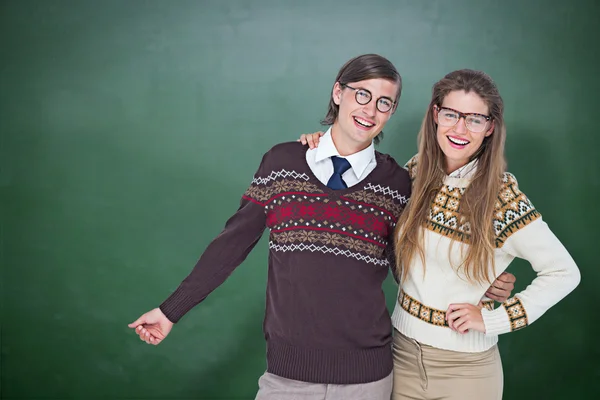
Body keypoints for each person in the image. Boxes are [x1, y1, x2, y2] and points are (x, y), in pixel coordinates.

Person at [129, 53, 410, 399]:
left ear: (392, 112)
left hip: (368, 378)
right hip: (287, 377)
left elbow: (411, 269)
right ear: (338, 93)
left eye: (384, 103)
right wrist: (171, 310)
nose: (370, 110)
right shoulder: (282, 163)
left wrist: (489, 289)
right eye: (361, 94)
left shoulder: (398, 184)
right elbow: (231, 245)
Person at [299, 69, 580, 400]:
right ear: (435, 115)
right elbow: (369, 217)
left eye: (475, 119)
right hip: (400, 355)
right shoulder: (416, 172)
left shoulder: (501, 197)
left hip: (467, 371)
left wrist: (495, 320)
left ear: (490, 127)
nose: (459, 129)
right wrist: (323, 147)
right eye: (451, 115)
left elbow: (564, 273)